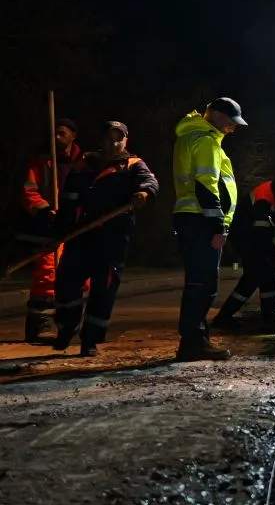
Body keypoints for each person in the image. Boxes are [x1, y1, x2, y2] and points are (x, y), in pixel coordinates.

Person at [51, 121, 158, 356]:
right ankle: (66, 327)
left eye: (118, 138)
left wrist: (143, 193)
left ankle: (90, 340)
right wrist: (58, 231)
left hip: (113, 238)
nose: (113, 143)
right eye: (108, 138)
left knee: (103, 289)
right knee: (66, 283)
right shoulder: (84, 164)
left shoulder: (133, 165)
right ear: (100, 140)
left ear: (126, 140)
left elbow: (150, 182)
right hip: (80, 235)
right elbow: (68, 201)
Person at [172, 97, 246, 361]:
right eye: (230, 121)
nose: (233, 128)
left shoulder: (192, 137)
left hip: (192, 218)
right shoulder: (205, 141)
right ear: (215, 115)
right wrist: (218, 225)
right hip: (201, 221)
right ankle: (193, 342)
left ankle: (196, 339)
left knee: (197, 282)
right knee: (203, 284)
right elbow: (207, 185)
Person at [14, 118, 84, 341]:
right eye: (53, 133)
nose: (56, 138)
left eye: (61, 133)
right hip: (46, 229)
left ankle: (68, 322)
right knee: (48, 274)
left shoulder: (83, 163)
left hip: (75, 228)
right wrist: (45, 210)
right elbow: (28, 192)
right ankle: (39, 325)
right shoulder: (41, 163)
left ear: (73, 135)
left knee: (78, 275)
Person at [212, 174, 275, 330]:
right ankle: (266, 318)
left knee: (259, 277)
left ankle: (267, 318)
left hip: (247, 238)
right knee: (258, 276)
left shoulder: (273, 193)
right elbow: (261, 235)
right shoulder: (264, 198)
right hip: (247, 239)